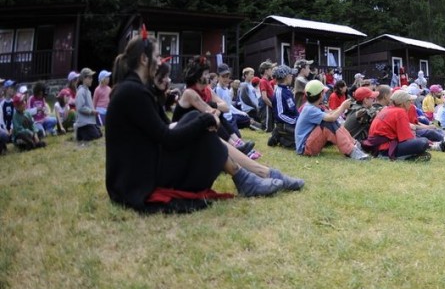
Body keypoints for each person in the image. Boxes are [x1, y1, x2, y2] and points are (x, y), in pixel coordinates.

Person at [105, 35, 302, 213]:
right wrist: (204, 120)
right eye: (157, 57)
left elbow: (164, 129)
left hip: (145, 169)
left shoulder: (135, 89)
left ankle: (259, 173)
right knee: (199, 122)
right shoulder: (133, 92)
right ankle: (252, 176)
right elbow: (167, 139)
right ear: (143, 59)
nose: (160, 62)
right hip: (137, 181)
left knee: (196, 119)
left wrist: (199, 120)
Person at [295, 79, 370, 160]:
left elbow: (331, 114)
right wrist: (343, 107)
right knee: (328, 123)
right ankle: (351, 151)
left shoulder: (313, 106)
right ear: (321, 95)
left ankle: (354, 144)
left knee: (331, 121)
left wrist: (341, 106)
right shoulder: (309, 109)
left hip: (308, 144)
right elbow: (331, 118)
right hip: (304, 148)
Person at [363, 89, 432, 161]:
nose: (411, 103)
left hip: (376, 146)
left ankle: (409, 156)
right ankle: (399, 157)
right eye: (409, 101)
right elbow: (406, 138)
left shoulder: (387, 109)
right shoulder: (400, 111)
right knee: (423, 142)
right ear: (403, 103)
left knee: (421, 139)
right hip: (385, 148)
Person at [268, 65, 299, 148]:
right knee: (301, 142)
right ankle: (280, 136)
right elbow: (280, 115)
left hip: (293, 122)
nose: (292, 77)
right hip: (286, 124)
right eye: (291, 75)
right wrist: (295, 121)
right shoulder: (279, 93)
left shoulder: (287, 90)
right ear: (286, 77)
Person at [75, 68, 102, 142]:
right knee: (95, 136)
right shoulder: (81, 91)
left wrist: (93, 111)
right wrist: (91, 111)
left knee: (99, 134)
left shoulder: (88, 91)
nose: (91, 80)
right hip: (84, 124)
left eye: (91, 78)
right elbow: (80, 107)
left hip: (90, 122)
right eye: (89, 78)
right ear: (84, 79)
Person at [257, 60, 276, 132]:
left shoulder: (267, 81)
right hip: (266, 106)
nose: (272, 71)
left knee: (271, 126)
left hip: (269, 105)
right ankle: (252, 124)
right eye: (271, 69)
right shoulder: (263, 81)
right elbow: (264, 97)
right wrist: (272, 105)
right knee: (267, 128)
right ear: (266, 71)